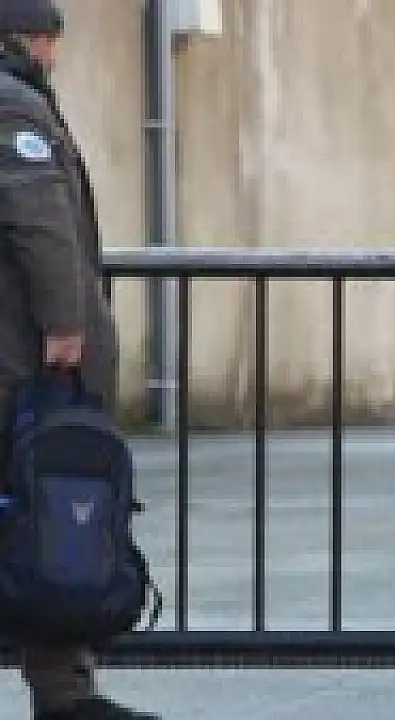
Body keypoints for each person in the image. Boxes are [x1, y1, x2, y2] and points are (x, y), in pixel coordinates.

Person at [0, 1, 157, 719]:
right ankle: (62, 691)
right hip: (21, 356)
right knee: (50, 507)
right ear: (30, 40)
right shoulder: (13, 105)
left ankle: (63, 686)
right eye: (51, 43)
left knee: (39, 513)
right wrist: (65, 323)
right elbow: (39, 222)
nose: (55, 58)